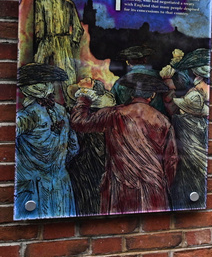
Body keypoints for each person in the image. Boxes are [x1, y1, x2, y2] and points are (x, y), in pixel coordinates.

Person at [71, 70, 177, 215]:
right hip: (154, 188)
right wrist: (163, 185)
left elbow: (79, 122)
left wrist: (84, 99)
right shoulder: (163, 121)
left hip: (121, 185)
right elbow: (171, 161)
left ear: (131, 94)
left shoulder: (114, 114)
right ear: (152, 96)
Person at [15, 63, 79, 219]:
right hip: (61, 185)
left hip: (32, 187)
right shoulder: (62, 111)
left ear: (26, 90)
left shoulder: (25, 116)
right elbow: (74, 147)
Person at [160, 48, 211, 210]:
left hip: (193, 148)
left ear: (195, 73)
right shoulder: (202, 91)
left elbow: (173, 105)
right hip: (197, 143)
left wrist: (168, 81)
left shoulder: (196, 94)